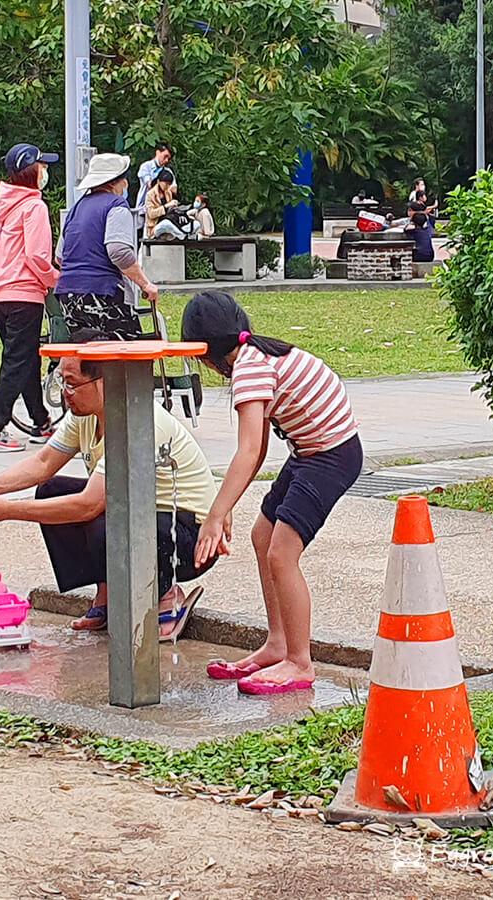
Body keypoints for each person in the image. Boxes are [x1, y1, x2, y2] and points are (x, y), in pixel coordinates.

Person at [0, 329, 221, 641]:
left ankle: (165, 595)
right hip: (141, 515)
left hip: (187, 540)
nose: (66, 392)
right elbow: (43, 464)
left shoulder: (137, 422)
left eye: (73, 383)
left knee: (106, 516)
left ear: (106, 381)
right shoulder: (86, 414)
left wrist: (3, 511)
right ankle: (106, 594)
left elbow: (89, 504)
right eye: (61, 381)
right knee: (53, 490)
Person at [181, 291, 361, 695]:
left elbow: (248, 451)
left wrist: (215, 514)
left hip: (331, 456)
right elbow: (258, 449)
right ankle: (278, 643)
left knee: (282, 552)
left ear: (206, 355)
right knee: (263, 536)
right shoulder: (256, 355)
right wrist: (225, 504)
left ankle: (299, 662)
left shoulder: (250, 369)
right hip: (311, 451)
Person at [0, 143, 61, 453]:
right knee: (17, 359)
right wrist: (56, 280)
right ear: (32, 171)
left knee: (25, 358)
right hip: (24, 293)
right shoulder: (34, 207)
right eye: (42, 166)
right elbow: (39, 256)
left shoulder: (2, 203)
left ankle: (41, 422)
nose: (46, 171)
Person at [55, 153, 160, 340]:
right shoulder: (116, 205)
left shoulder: (76, 209)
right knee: (124, 352)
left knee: (85, 357)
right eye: (124, 179)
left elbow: (60, 257)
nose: (126, 184)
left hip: (68, 295)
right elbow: (118, 251)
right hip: (103, 292)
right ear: (114, 182)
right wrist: (146, 284)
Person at [134, 143, 173, 232]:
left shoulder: (168, 171)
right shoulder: (145, 167)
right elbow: (150, 184)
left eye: (168, 158)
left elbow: (173, 189)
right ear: (158, 153)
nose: (166, 160)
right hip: (144, 207)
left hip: (162, 209)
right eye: (165, 156)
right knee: (139, 232)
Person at [144, 169, 183, 239]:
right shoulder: (150, 194)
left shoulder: (168, 192)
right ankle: (181, 234)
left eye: (169, 184)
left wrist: (174, 207)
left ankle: (182, 231)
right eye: (166, 184)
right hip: (155, 226)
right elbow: (151, 214)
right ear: (159, 181)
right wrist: (166, 206)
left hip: (168, 220)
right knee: (166, 223)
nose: (167, 186)